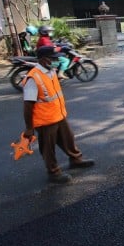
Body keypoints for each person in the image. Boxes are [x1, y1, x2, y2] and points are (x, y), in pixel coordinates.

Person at [22, 46, 95, 184]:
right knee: (48, 148)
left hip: (58, 115)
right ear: (44, 60)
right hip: (45, 121)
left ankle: (75, 159)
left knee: (68, 138)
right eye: (54, 58)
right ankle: (53, 172)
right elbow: (28, 105)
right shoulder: (33, 78)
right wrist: (29, 128)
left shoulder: (51, 72)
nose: (57, 61)